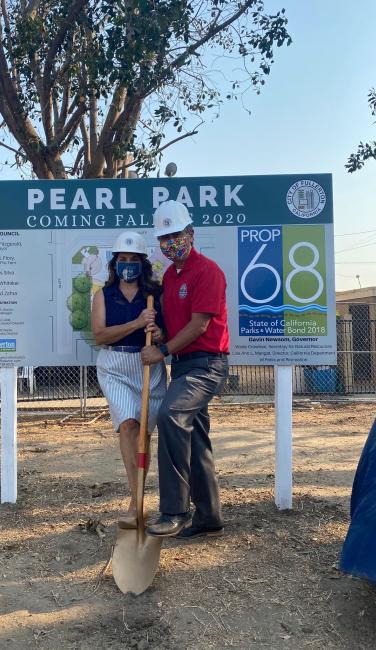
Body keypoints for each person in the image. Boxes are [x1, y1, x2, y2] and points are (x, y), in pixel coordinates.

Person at [141, 200, 229, 539]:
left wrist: (161, 350)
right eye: (163, 237)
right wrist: (160, 330)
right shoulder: (170, 277)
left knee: (171, 416)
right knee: (196, 437)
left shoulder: (207, 271)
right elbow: (175, 325)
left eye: (175, 234)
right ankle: (209, 517)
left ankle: (175, 510)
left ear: (191, 234)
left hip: (207, 365)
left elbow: (199, 326)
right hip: (183, 366)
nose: (169, 242)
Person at [91, 231, 166, 528]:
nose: (128, 264)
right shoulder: (103, 295)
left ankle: (139, 500)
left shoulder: (155, 295)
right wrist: (136, 323)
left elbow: (168, 333)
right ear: (115, 263)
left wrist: (160, 336)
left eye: (134, 259)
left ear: (143, 263)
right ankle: (136, 502)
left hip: (148, 365)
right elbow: (100, 335)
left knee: (144, 434)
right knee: (128, 426)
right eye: (123, 259)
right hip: (115, 365)